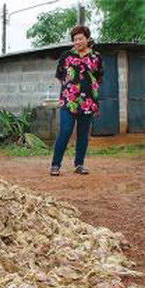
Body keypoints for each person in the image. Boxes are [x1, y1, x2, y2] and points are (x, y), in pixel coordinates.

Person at [50, 25, 103, 176]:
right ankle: (55, 164)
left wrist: (87, 89)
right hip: (69, 101)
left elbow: (99, 77)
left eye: (80, 39)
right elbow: (60, 76)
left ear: (87, 39)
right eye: (75, 39)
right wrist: (71, 89)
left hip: (88, 102)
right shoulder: (66, 56)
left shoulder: (96, 57)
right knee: (65, 131)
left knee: (83, 133)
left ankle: (79, 164)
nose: (78, 42)